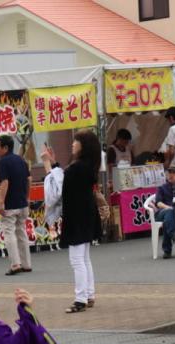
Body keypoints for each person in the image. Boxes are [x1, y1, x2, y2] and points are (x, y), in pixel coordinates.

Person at [42, 130, 101, 313]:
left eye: (76, 141)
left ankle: (80, 299)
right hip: (86, 214)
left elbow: (59, 188)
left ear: (84, 146)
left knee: (77, 259)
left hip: (77, 216)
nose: (73, 144)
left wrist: (48, 167)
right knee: (84, 258)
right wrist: (55, 164)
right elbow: (65, 179)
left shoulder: (78, 168)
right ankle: (89, 295)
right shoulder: (88, 166)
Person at [0, 134, 32, 276]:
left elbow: (5, 182)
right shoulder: (20, 159)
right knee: (21, 231)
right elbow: (29, 179)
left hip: (10, 204)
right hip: (23, 203)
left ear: (5, 148)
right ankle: (26, 264)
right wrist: (27, 197)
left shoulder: (3, 162)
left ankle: (15, 264)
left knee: (9, 232)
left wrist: (1, 202)